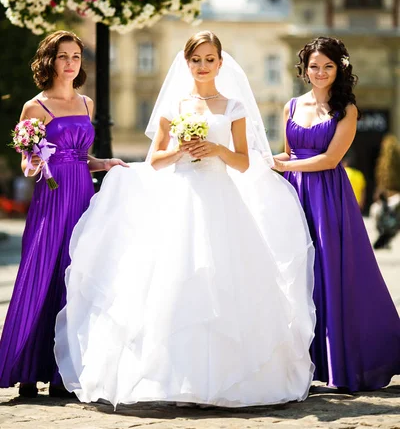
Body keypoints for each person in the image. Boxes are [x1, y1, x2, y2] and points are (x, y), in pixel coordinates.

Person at [54, 30, 316, 408]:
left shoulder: (234, 107)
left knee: (221, 279)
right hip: (180, 199)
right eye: (196, 59)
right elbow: (155, 160)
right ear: (186, 62)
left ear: (220, 63)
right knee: (174, 280)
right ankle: (176, 379)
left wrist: (216, 149)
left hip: (221, 199)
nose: (203, 66)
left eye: (210, 59)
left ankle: (226, 380)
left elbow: (244, 162)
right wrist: (179, 150)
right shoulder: (174, 106)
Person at [0, 30, 127, 398]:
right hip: (51, 200)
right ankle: (27, 368)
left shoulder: (87, 104)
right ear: (50, 61)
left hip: (84, 197)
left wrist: (104, 162)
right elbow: (27, 164)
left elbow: (81, 157)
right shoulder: (34, 107)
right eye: (63, 56)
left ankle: (63, 371)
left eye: (75, 56)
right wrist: (35, 162)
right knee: (40, 273)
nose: (70, 63)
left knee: (76, 276)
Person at [273, 36, 400, 393]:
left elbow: (330, 159)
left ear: (339, 68)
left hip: (329, 196)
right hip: (295, 195)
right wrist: (265, 163)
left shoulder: (348, 109)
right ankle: (304, 361)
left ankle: (349, 360)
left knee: (332, 272)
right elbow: (288, 154)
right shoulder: (291, 106)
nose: (320, 72)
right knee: (298, 273)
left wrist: (285, 164)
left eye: (328, 66)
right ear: (305, 68)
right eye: (314, 66)